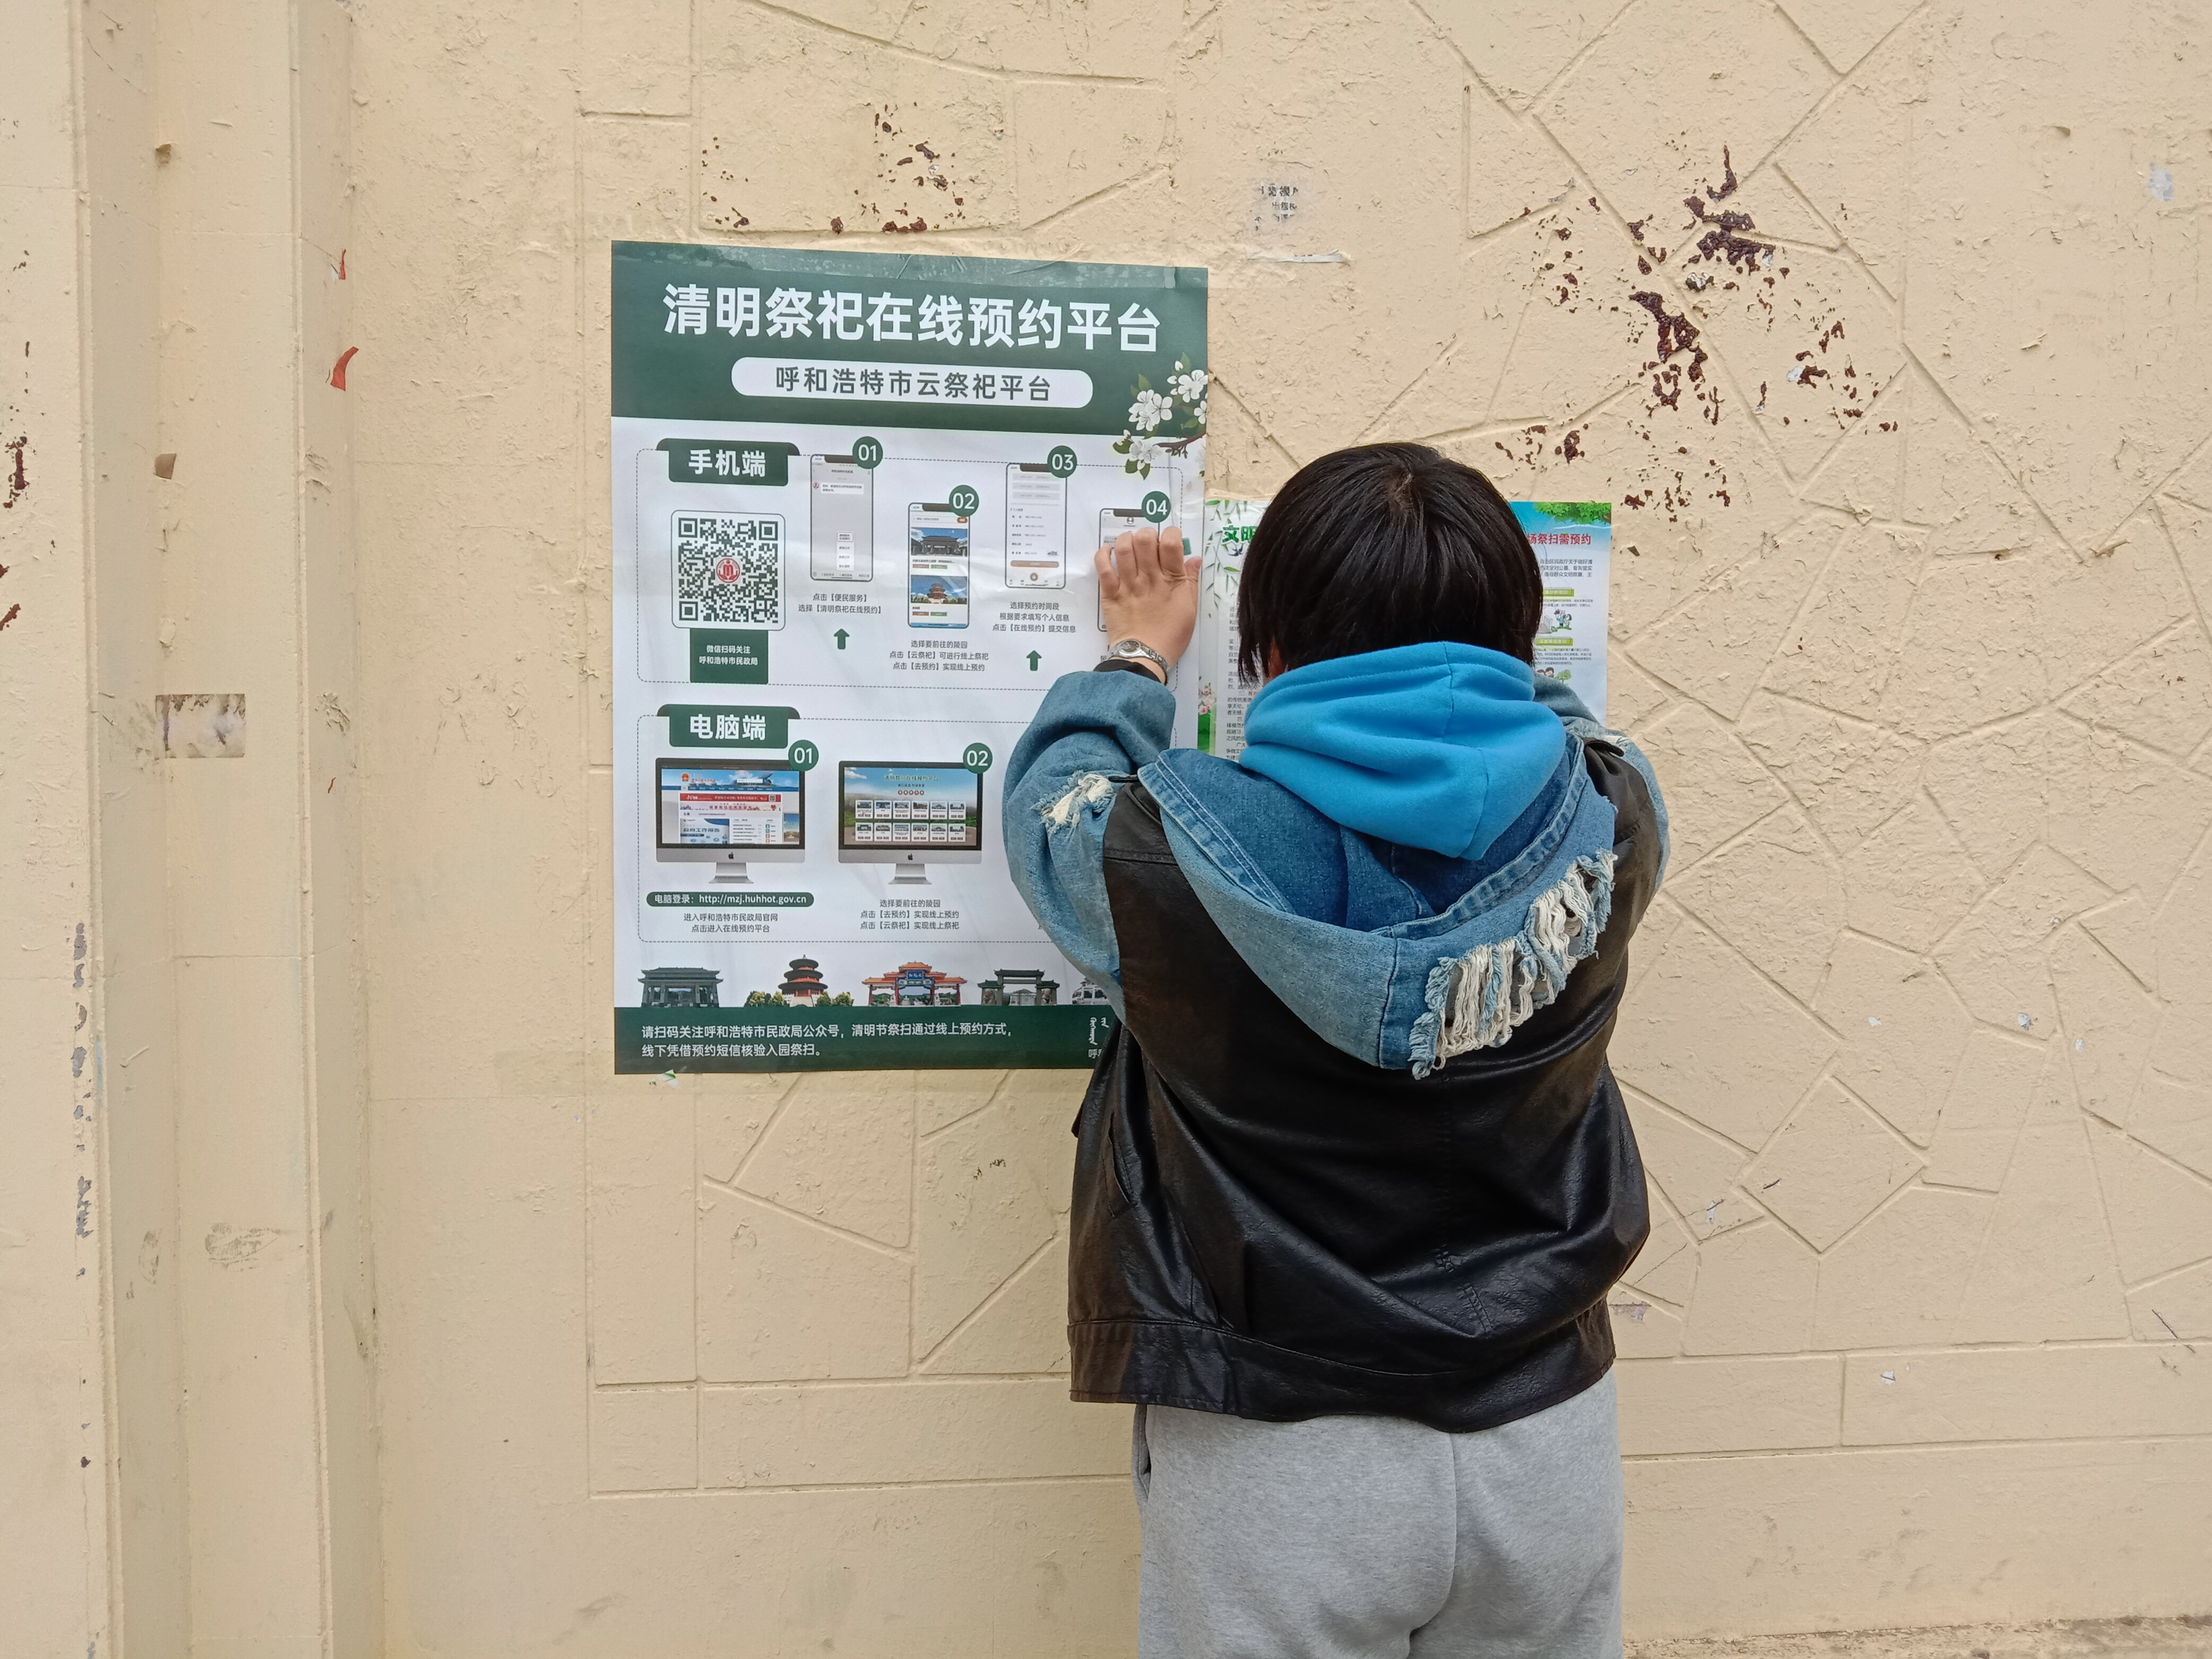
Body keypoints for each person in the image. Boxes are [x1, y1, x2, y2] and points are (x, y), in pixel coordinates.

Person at [1003, 443, 1670, 1659]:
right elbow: (1573, 733)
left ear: (1265, 658)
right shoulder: (1613, 820)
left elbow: (1054, 803)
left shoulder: (1165, 854)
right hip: (1548, 1436)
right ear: (1515, 649)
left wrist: (1136, 654)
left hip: (1279, 1455)